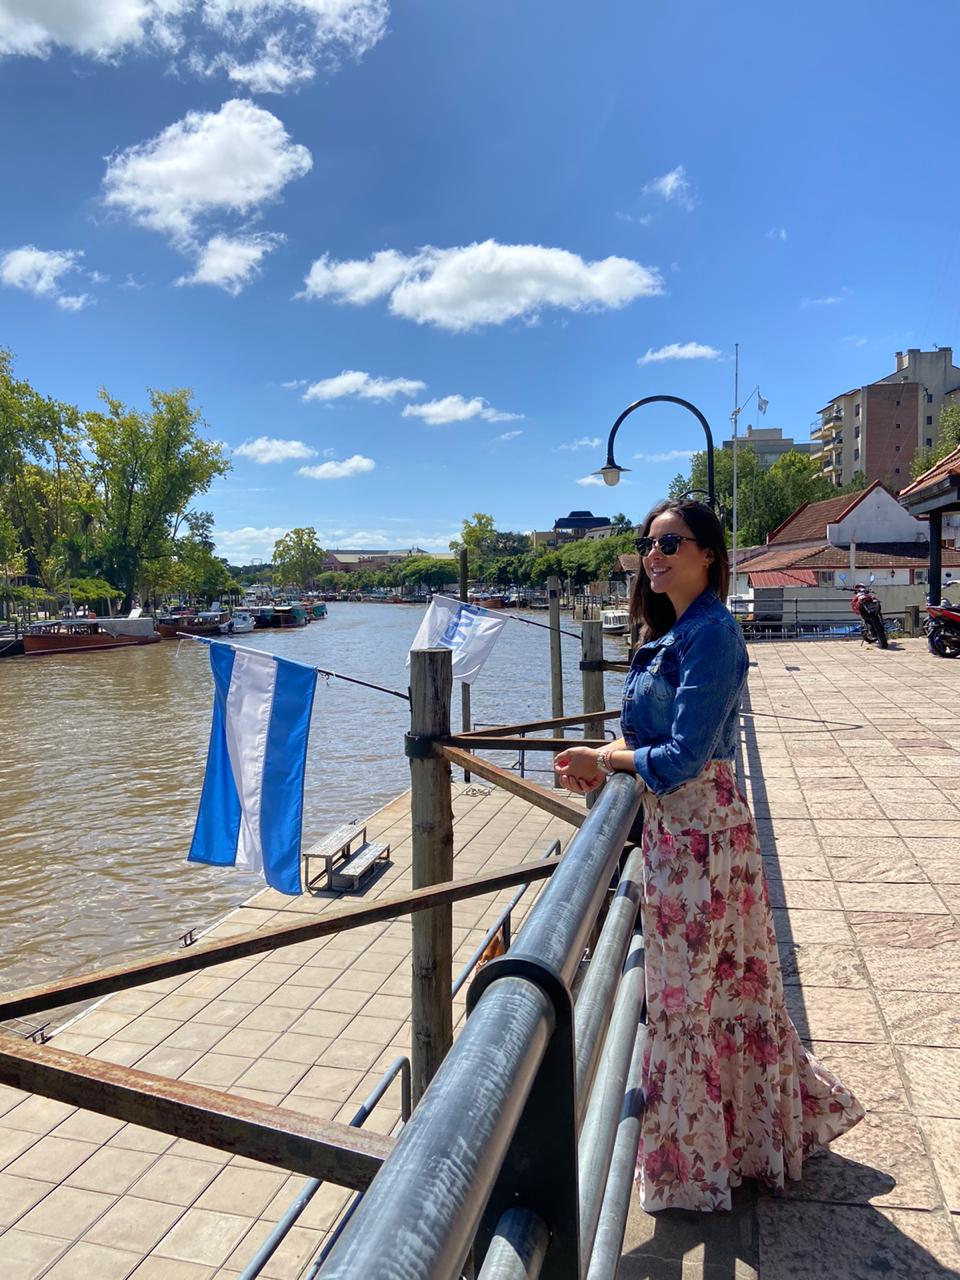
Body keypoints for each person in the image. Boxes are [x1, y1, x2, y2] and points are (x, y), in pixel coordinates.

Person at [555, 499, 863, 1213]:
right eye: (648, 543)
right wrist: (606, 757)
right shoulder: (671, 630)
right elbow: (651, 740)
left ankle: (695, 1166)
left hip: (702, 839)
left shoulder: (714, 633)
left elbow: (683, 756)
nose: (654, 554)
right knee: (706, 991)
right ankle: (734, 1146)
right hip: (677, 832)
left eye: (671, 543)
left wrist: (609, 760)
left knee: (685, 997)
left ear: (709, 555)